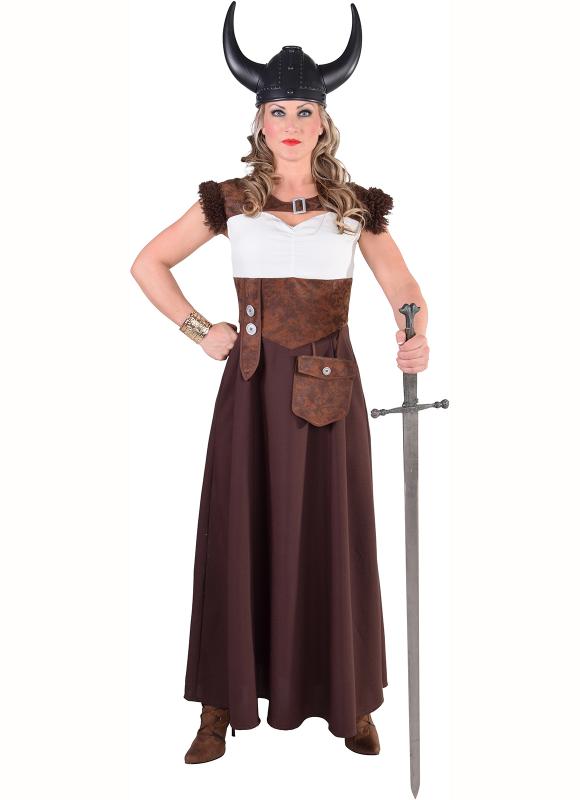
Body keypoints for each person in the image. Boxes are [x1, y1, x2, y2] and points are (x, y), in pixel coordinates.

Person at [130, 1, 429, 764]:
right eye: (277, 111)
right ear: (259, 122)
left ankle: (348, 701)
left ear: (323, 123)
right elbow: (148, 264)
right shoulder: (229, 203)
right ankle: (219, 705)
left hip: (331, 395)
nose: (291, 123)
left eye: (304, 110)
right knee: (238, 533)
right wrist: (201, 330)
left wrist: (413, 332)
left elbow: (404, 289)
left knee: (335, 535)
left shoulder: (355, 208)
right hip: (252, 390)